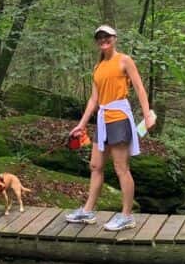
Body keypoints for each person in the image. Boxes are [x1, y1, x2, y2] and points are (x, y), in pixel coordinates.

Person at [65, 24, 156, 231]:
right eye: (100, 38)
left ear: (114, 38)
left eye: (107, 37)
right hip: (103, 119)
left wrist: (148, 113)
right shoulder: (98, 68)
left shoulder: (124, 60)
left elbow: (140, 88)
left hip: (119, 118)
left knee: (121, 168)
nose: (103, 40)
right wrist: (81, 125)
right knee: (96, 166)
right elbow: (94, 100)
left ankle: (126, 216)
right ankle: (87, 212)